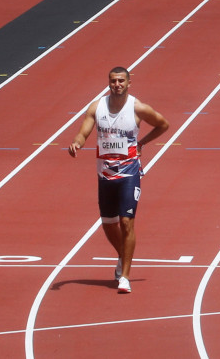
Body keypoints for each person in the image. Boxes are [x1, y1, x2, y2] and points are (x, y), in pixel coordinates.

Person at [68, 66, 169, 293]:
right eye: (113, 81)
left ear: (129, 83)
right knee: (108, 223)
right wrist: (76, 143)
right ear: (109, 83)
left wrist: (141, 143)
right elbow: (83, 132)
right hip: (105, 174)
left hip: (129, 172)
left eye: (121, 81)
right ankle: (124, 255)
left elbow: (163, 124)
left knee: (126, 222)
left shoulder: (137, 107)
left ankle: (124, 276)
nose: (117, 85)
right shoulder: (97, 107)